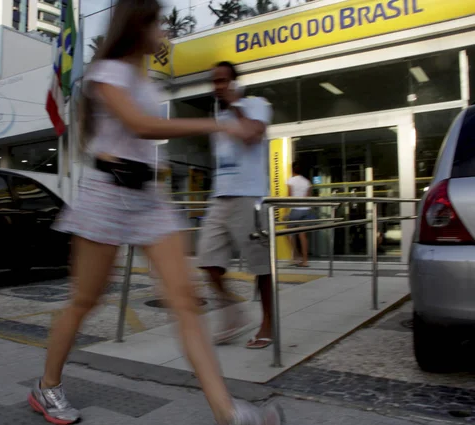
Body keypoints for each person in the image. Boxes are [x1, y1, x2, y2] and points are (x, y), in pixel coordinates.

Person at [27, 1, 284, 424]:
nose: (165, 30)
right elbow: (140, 126)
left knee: (186, 301)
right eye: (159, 22)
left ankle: (228, 413)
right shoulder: (106, 72)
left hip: (148, 196)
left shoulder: (144, 79)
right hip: (106, 191)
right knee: (84, 301)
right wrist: (217, 125)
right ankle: (47, 385)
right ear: (138, 24)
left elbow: (142, 137)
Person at [197, 61, 275, 351]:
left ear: (233, 83)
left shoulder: (256, 104)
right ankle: (234, 313)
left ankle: (268, 324)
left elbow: (253, 134)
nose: (217, 87)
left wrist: (235, 106)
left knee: (261, 267)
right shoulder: (217, 114)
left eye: (222, 81)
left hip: (250, 196)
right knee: (207, 260)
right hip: (220, 196)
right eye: (214, 82)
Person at [286, 162, 312, 267]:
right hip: (306, 210)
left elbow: (289, 196)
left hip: (295, 209)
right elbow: (308, 197)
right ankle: (305, 260)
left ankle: (296, 256)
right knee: (303, 236)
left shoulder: (291, 181)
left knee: (287, 232)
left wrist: (286, 212)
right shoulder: (307, 182)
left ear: (292, 170)